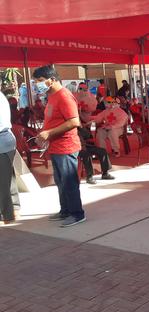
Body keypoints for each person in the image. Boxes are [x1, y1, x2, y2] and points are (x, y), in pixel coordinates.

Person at [33, 65, 86, 227]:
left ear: (53, 80)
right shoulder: (52, 96)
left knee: (69, 181)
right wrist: (44, 134)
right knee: (60, 181)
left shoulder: (64, 96)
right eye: (36, 82)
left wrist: (49, 133)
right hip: (55, 147)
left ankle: (77, 213)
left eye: (41, 81)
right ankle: (65, 210)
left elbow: (74, 121)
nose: (38, 84)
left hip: (66, 146)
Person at [0, 92, 18, 225]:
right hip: (6, 142)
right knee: (7, 178)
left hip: (3, 141)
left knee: (2, 181)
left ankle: (7, 214)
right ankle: (14, 207)